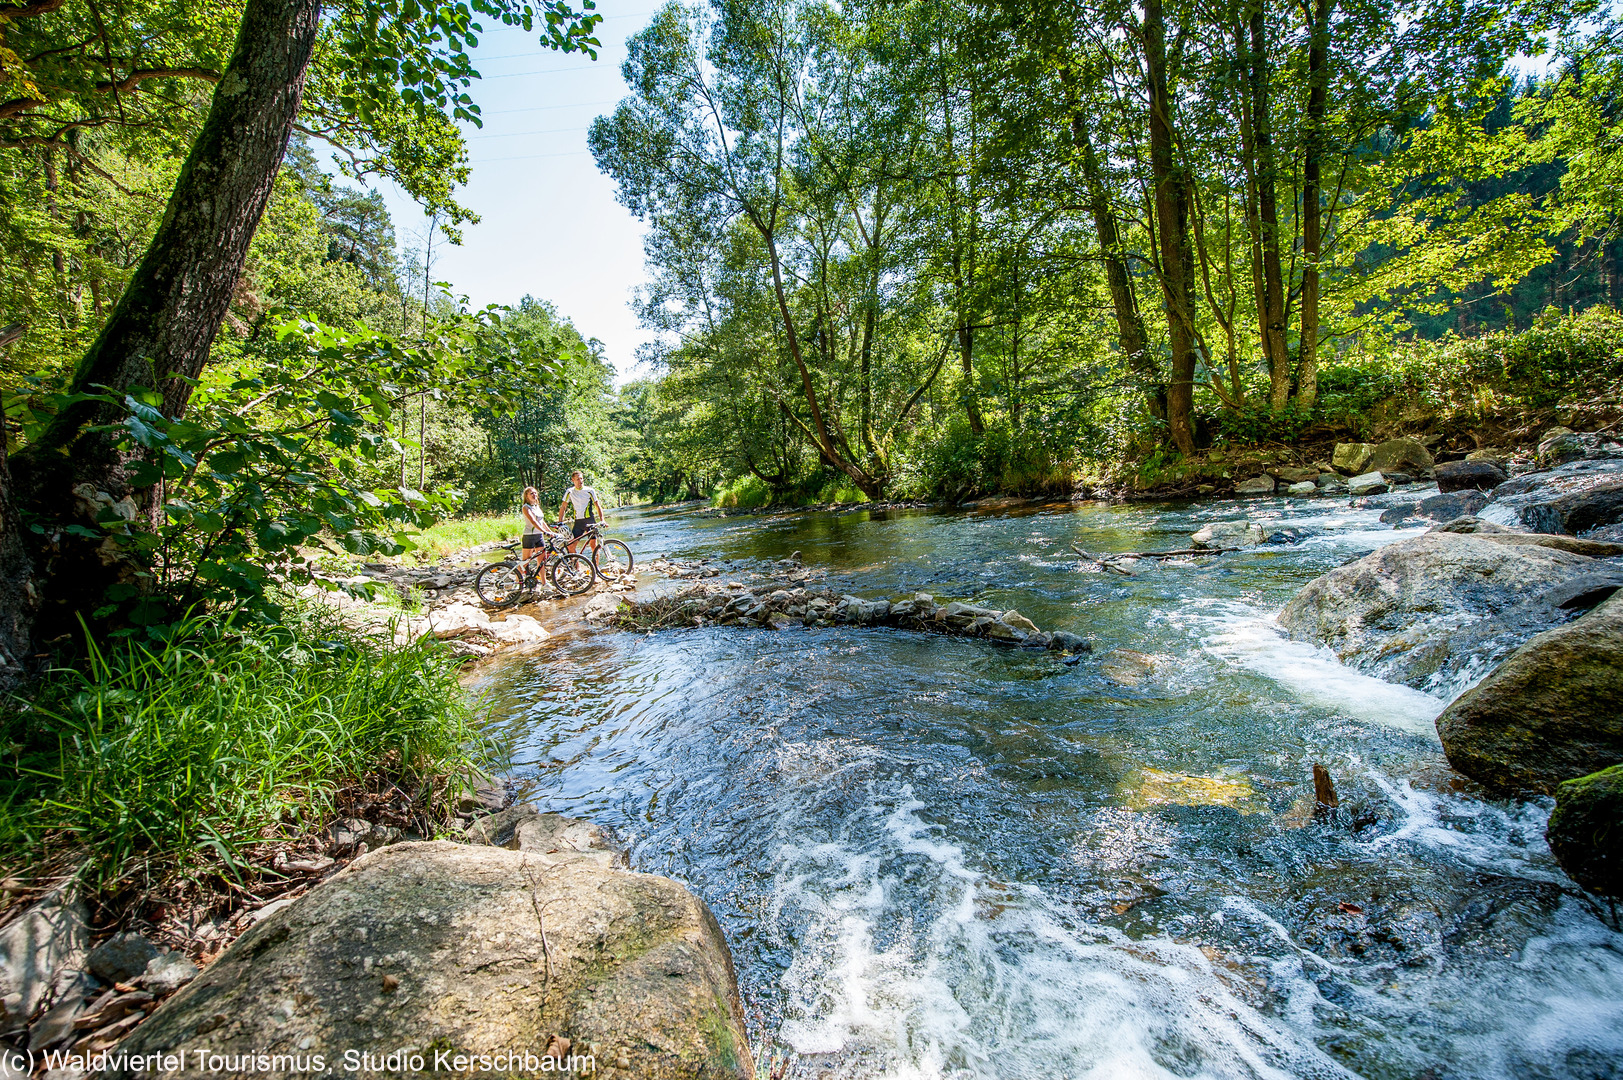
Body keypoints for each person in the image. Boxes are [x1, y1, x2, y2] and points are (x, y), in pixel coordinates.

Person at [558, 470, 606, 556]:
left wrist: (602, 520)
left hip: (590, 521)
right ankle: (577, 568)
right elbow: (563, 507)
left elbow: (597, 505)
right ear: (573, 480)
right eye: (577, 479)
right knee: (571, 546)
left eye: (581, 479)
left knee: (593, 546)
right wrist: (560, 522)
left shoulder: (590, 490)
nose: (580, 481)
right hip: (578, 522)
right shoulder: (570, 491)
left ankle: (596, 568)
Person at [517, 486, 557, 587]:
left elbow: (541, 521)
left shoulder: (536, 506)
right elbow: (533, 521)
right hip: (529, 536)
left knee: (541, 560)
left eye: (535, 493)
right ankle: (517, 582)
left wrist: (549, 532)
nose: (534, 495)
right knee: (526, 561)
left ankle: (544, 583)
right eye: (531, 493)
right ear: (526, 496)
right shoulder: (526, 507)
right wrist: (544, 531)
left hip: (539, 536)